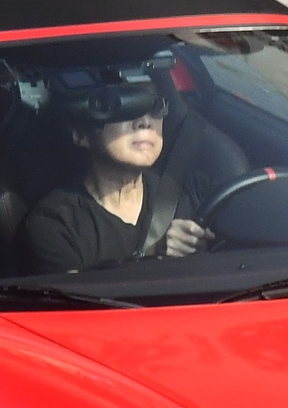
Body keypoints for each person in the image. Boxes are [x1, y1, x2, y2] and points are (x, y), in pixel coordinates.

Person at [23, 84, 208, 273]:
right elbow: (85, 301)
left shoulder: (193, 190)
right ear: (81, 134)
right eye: (124, 105)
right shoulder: (54, 224)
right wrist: (156, 256)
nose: (145, 121)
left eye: (155, 106)